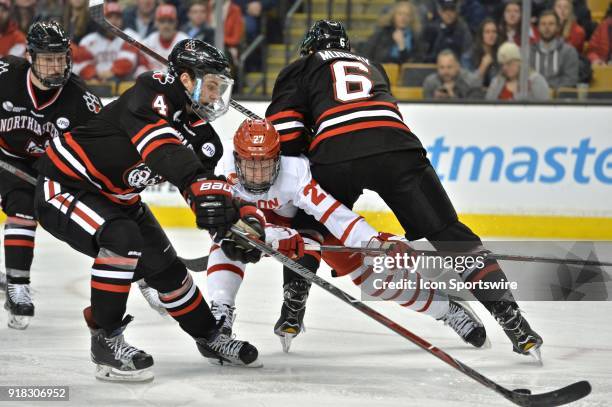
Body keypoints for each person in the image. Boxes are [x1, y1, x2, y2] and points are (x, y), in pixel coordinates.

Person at [265, 20, 544, 361]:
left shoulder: (301, 66)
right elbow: (370, 112)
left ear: (309, 48)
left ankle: (293, 305)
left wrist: (310, 147)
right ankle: (512, 319)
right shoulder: (371, 65)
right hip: (396, 144)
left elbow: (287, 138)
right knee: (450, 234)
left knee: (310, 221)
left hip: (336, 151)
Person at [33, 39, 262, 381]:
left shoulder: (204, 138)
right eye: (211, 85)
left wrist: (233, 223)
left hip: (121, 198)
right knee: (122, 238)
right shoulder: (151, 91)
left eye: (219, 87)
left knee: (168, 272)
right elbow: (162, 150)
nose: (216, 96)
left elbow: (203, 191)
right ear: (186, 79)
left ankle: (210, 337)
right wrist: (199, 185)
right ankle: (106, 340)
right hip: (67, 185)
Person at [206, 118, 487, 352]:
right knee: (231, 243)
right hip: (261, 222)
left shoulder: (295, 172)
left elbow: (333, 214)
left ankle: (446, 308)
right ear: (236, 159)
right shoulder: (223, 169)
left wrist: (373, 242)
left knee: (375, 281)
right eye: (250, 166)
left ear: (278, 160)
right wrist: (274, 235)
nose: (257, 177)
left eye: (265, 166)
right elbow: (222, 224)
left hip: (305, 222)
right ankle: (220, 311)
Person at [0, 21, 102, 329]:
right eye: (48, 58)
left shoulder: (82, 101)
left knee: (23, 207)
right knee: (20, 202)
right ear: (30, 56)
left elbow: (102, 149)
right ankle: (17, 288)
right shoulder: (5, 75)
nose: (56, 66)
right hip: (4, 156)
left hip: (44, 169)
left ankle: (17, 287)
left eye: (61, 58)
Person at [76, 2, 141, 81]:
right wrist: (94, 74)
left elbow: (127, 62)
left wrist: (110, 73)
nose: (113, 21)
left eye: (117, 17)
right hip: (95, 83)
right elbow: (81, 64)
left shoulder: (130, 35)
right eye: (109, 17)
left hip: (123, 82)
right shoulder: (88, 40)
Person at [530, 9, 579, 88]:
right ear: (538, 28)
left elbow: (571, 80)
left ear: (557, 27)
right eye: (543, 24)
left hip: (559, 98)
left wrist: (550, 90)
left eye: (551, 24)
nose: (547, 27)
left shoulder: (569, 52)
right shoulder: (529, 52)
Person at [486, 41, 550, 101]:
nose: (505, 68)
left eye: (509, 63)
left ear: (519, 62)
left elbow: (545, 108)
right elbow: (488, 106)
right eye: (502, 64)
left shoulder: (536, 81)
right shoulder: (497, 82)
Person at [138, 4, 188, 74]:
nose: (166, 25)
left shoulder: (185, 42)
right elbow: (141, 67)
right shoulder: (149, 41)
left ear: (176, 22)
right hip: (153, 82)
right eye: (162, 21)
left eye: (170, 21)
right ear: (156, 23)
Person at [461, 17, 501, 87]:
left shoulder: (500, 54)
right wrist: (483, 67)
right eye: (487, 32)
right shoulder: (468, 56)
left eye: (494, 32)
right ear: (481, 35)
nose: (491, 35)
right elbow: (469, 84)